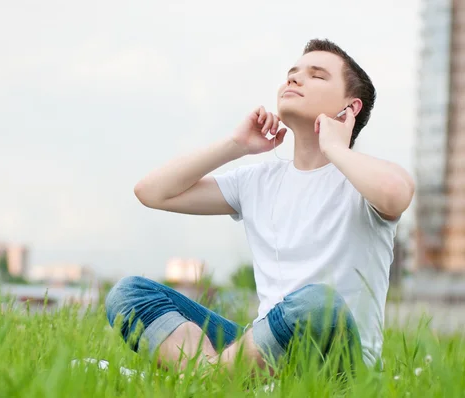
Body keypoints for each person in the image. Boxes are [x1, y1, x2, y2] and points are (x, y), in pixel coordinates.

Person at [104, 38, 415, 374]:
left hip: (340, 363)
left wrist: (335, 149)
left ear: (350, 108)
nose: (294, 79)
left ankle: (204, 377)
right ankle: (212, 375)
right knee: (129, 293)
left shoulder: (363, 179)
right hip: (265, 351)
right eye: (292, 73)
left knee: (317, 303)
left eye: (317, 75)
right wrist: (235, 145)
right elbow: (152, 192)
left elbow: (396, 194)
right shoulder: (258, 180)